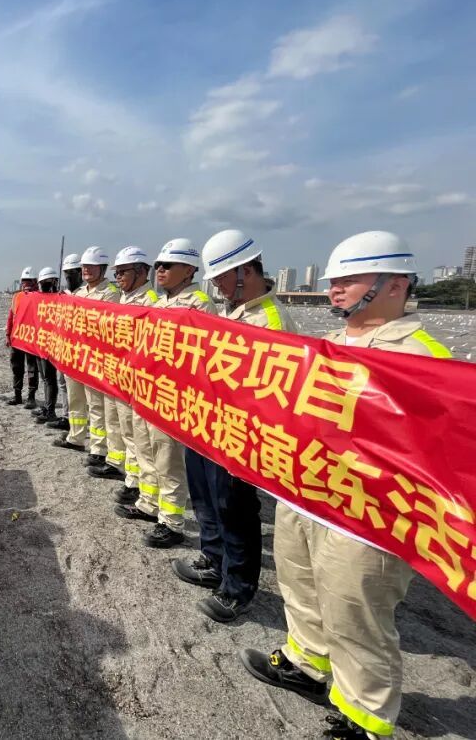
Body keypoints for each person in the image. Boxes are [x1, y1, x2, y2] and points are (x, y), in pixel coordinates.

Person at [240, 231, 452, 740]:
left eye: (350, 280)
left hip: (367, 513)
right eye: (334, 280)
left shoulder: (424, 356)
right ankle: (306, 663)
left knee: (355, 611)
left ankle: (365, 717)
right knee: (300, 582)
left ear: (395, 284)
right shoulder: (328, 345)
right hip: (306, 491)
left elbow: (442, 451)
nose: (335, 289)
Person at [175, 229, 298, 623]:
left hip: (239, 433)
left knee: (235, 509)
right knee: (205, 498)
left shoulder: (271, 320)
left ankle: (237, 588)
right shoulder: (230, 311)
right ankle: (213, 561)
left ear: (245, 272)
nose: (218, 287)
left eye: (223, 278)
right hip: (209, 423)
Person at [116, 238, 215, 548]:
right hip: (147, 389)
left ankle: (172, 522)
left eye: (167, 265)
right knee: (145, 448)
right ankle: (148, 503)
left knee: (168, 458)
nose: (160, 270)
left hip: (173, 395)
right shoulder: (159, 304)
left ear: (189, 269)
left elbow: (203, 356)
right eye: (158, 265)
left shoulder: (199, 304)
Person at [52, 247, 119, 467]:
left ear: (103, 268)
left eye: (91, 266)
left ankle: (99, 449)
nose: (86, 270)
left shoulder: (110, 293)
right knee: (76, 400)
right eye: (84, 267)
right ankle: (76, 436)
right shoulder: (80, 293)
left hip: (95, 358)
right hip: (75, 356)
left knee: (96, 405)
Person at [108, 247, 158, 497]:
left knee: (143, 440)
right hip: (122, 376)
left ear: (141, 271)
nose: (118, 277)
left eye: (122, 272)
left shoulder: (151, 301)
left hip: (140, 380)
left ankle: (143, 488)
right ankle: (133, 479)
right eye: (116, 273)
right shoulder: (124, 298)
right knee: (127, 431)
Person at [44, 253, 83, 432]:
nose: (68, 277)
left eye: (72, 273)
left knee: (79, 392)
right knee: (64, 384)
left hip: (80, 350)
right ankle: (67, 417)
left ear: (80, 272)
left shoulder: (86, 295)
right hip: (64, 348)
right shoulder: (64, 295)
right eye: (66, 273)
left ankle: (77, 426)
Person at [31, 266, 61, 423]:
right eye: (44, 282)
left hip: (51, 345)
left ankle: (50, 411)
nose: (46, 285)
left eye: (49, 282)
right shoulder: (37, 300)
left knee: (50, 378)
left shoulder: (60, 299)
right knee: (44, 377)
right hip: (39, 343)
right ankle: (47, 406)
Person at [6, 267, 39, 405]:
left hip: (32, 338)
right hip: (17, 338)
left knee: (32, 368)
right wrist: (8, 335)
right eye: (24, 280)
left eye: (29, 281)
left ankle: (31, 397)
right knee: (16, 367)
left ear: (35, 282)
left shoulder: (40, 297)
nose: (26, 283)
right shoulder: (17, 297)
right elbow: (11, 316)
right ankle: (17, 395)